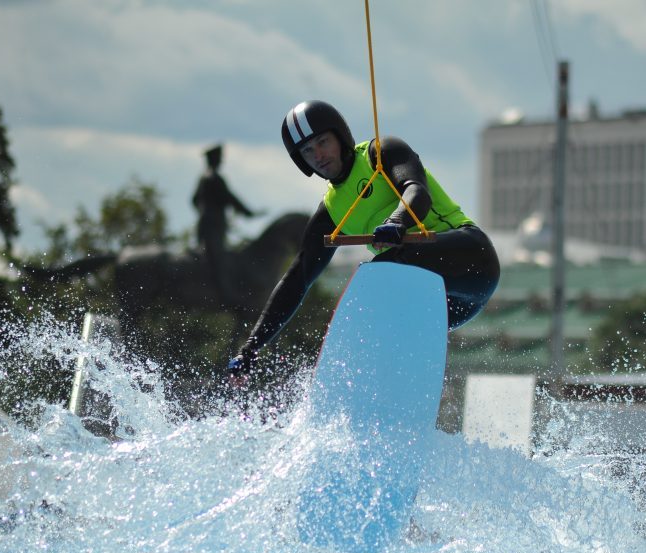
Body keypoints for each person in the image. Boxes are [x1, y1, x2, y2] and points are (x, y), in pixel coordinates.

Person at [227, 100, 500, 378]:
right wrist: (251, 347)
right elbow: (297, 279)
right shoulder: (331, 211)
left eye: (323, 142)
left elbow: (417, 192)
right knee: (384, 328)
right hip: (442, 307)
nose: (318, 155)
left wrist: (397, 222)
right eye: (308, 151)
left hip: (472, 261)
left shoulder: (381, 154)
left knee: (379, 270)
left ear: (340, 136)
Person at [191, 144, 258, 301]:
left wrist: (204, 213)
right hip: (213, 227)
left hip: (208, 226)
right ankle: (226, 293)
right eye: (219, 158)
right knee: (218, 259)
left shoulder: (204, 178)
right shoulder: (214, 178)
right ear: (214, 160)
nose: (221, 161)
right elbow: (230, 198)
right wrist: (247, 212)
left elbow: (194, 200)